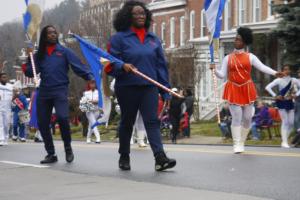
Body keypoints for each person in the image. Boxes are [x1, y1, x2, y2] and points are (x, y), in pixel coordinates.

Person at [106, 1, 176, 171]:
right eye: (136, 13)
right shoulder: (118, 39)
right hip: (127, 87)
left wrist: (165, 89)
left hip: (149, 87)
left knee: (151, 121)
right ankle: (124, 155)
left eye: (143, 13)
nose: (140, 16)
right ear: (128, 16)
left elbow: (160, 67)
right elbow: (109, 65)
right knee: (127, 122)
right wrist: (122, 66)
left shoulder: (153, 40)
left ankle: (160, 157)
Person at [23, 25, 94, 164]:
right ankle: (51, 153)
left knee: (62, 117)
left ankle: (68, 147)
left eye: (55, 32)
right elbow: (31, 72)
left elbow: (78, 66)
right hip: (44, 91)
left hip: (60, 90)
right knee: (42, 123)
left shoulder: (64, 51)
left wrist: (89, 76)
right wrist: (29, 57)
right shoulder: (39, 55)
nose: (53, 35)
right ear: (44, 36)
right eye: (49, 33)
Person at [210, 27, 284, 153]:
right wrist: (214, 70)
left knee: (248, 118)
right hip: (233, 88)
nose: (235, 41)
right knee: (237, 116)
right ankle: (236, 144)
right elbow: (222, 75)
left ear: (244, 42)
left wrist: (275, 73)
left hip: (247, 88)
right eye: (235, 39)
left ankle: (242, 141)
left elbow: (262, 67)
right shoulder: (228, 58)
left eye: (238, 39)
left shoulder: (250, 57)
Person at [265, 65, 300, 148]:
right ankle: (284, 142)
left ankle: (284, 140)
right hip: (281, 102)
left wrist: (296, 95)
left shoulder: (293, 80)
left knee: (291, 123)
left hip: (290, 102)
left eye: (288, 69)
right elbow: (268, 87)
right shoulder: (278, 80)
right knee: (285, 122)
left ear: (290, 71)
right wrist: (275, 95)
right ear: (282, 71)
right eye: (284, 70)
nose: (286, 71)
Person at [0, 73, 13, 146]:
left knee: (6, 125)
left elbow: (13, 96)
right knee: (0, 124)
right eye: (3, 77)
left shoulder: (10, 86)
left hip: (8, 108)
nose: (4, 79)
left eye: (5, 77)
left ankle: (6, 138)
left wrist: (15, 95)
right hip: (0, 107)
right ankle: (1, 139)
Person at [292, 69, 300, 147]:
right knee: (295, 119)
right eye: (298, 72)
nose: (299, 73)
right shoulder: (296, 81)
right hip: (296, 102)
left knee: (297, 119)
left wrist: (296, 94)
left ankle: (296, 140)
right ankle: (297, 134)